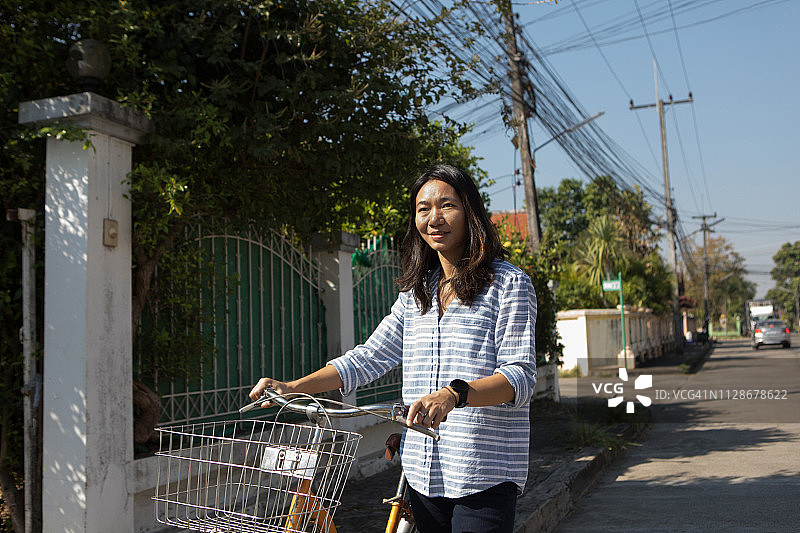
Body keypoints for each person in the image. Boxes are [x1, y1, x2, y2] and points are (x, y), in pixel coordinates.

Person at [249, 163, 537, 532]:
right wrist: (292, 387)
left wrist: (454, 394)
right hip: (422, 471)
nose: (434, 218)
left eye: (446, 205)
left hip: (482, 472)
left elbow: (520, 377)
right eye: (423, 208)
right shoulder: (417, 293)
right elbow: (368, 357)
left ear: (470, 212)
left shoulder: (509, 284)